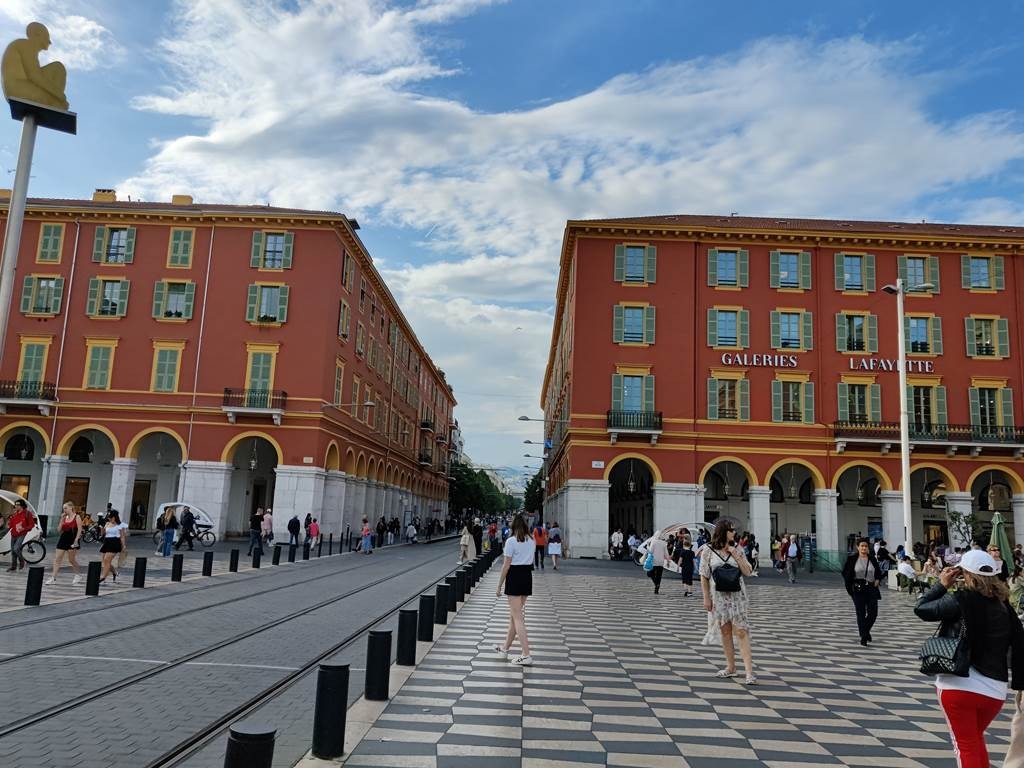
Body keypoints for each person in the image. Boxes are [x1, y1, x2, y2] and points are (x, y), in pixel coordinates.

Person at [915, 550, 1024, 767]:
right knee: (973, 741)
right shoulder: (1005, 608)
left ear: (965, 574)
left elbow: (921, 609)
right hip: (994, 691)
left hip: (958, 686)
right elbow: (1020, 647)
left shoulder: (960, 600)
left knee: (965, 745)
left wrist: (942, 585)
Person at [700, 519, 756, 684]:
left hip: (737, 597)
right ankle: (731, 667)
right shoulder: (708, 550)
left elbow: (747, 571)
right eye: (731, 530)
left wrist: (735, 554)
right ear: (723, 532)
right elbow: (704, 575)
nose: (734, 533)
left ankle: (749, 672)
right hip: (718, 597)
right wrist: (706, 598)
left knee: (741, 631)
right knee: (725, 631)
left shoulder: (737, 548)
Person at [494, 514, 536, 666]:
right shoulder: (532, 540)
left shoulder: (511, 541)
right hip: (526, 577)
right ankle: (505, 649)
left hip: (514, 576)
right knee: (514, 616)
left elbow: (506, 565)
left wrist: (499, 585)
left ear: (513, 526)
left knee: (518, 618)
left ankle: (526, 654)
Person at [842, 537, 882, 646]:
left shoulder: (872, 559)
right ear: (857, 547)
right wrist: (850, 588)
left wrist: (878, 580)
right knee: (861, 613)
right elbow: (845, 573)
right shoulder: (852, 559)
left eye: (865, 546)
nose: (864, 548)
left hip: (871, 588)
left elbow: (878, 572)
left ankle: (865, 631)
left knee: (873, 613)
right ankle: (864, 636)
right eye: (862, 546)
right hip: (858, 589)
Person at [47, 501, 83, 585]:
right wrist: (62, 519)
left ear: (71, 507)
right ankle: (53, 577)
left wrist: (76, 539)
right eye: (63, 508)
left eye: (66, 508)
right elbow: (59, 530)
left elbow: (80, 529)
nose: (64, 510)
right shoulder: (64, 517)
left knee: (71, 559)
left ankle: (78, 575)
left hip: (72, 538)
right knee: (57, 558)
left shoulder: (77, 517)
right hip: (63, 538)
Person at [6, 498, 35, 571]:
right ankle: (13, 566)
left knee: (16, 548)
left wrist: (24, 528)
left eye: (18, 505)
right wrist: (9, 522)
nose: (16, 506)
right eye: (15, 504)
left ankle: (22, 561)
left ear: (22, 505)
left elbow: (32, 525)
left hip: (22, 533)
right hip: (14, 533)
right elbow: (11, 524)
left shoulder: (27, 513)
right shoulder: (15, 513)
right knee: (13, 551)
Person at [99, 510, 123, 583]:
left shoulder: (120, 525)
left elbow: (122, 536)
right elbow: (103, 534)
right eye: (109, 517)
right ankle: (115, 573)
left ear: (114, 517)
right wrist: (102, 528)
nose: (109, 519)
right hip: (107, 542)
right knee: (105, 560)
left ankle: (103, 577)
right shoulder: (107, 523)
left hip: (115, 543)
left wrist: (123, 545)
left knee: (107, 560)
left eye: (110, 517)